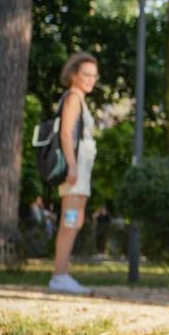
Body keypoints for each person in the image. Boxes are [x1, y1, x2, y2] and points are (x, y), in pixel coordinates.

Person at [48, 52, 99, 295]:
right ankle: (59, 275)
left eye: (94, 76)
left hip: (81, 170)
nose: (91, 80)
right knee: (69, 220)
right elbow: (66, 134)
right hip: (75, 170)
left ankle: (62, 272)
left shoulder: (80, 98)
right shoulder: (73, 99)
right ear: (73, 75)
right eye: (86, 74)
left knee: (75, 220)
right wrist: (72, 167)